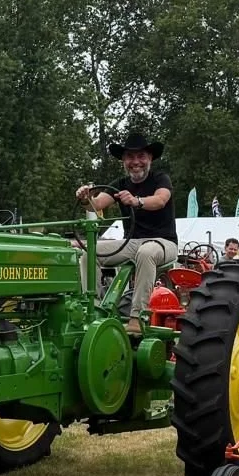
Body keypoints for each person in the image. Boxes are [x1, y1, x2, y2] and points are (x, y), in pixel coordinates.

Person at [75, 132, 178, 335]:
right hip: (132, 242)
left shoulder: (160, 178)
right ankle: (94, 309)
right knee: (88, 252)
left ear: (150, 158)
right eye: (130, 157)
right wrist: (86, 198)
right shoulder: (121, 183)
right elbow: (96, 206)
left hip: (163, 242)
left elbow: (160, 200)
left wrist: (136, 201)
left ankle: (137, 317)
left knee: (146, 252)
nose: (135, 162)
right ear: (123, 160)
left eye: (141, 156)